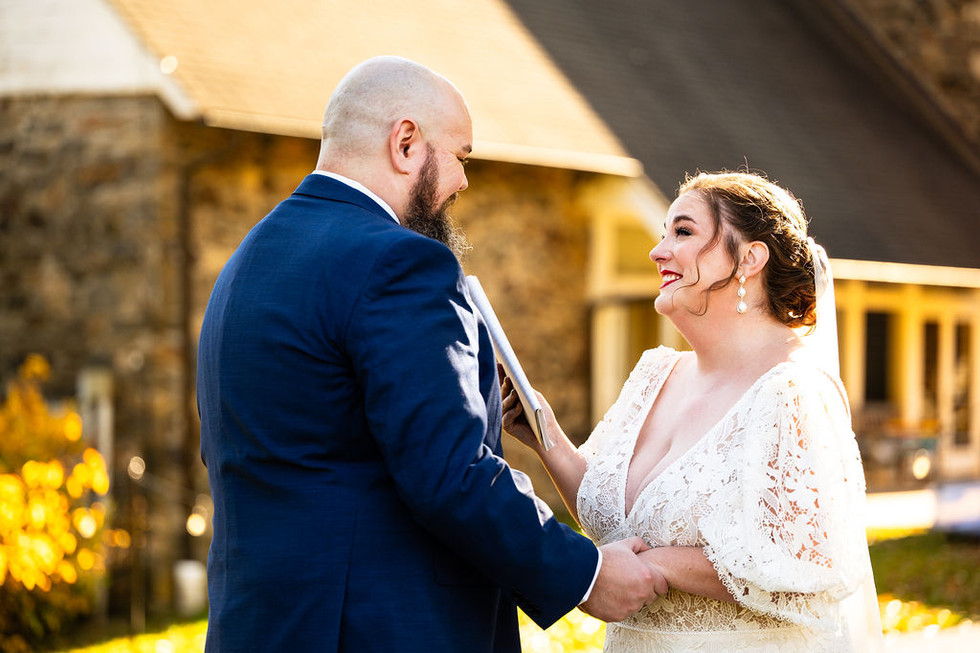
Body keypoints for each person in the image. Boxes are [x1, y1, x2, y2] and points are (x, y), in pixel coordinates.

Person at [196, 56, 664, 653]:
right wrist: (587, 575)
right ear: (407, 142)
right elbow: (449, 473)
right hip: (378, 629)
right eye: (461, 157)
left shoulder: (246, 262)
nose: (464, 183)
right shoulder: (398, 261)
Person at [503, 171, 885, 651]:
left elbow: (806, 564)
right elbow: (609, 518)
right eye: (664, 233)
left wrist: (654, 564)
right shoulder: (654, 376)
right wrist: (544, 436)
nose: (657, 250)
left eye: (682, 232)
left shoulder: (792, 389)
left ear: (749, 259)